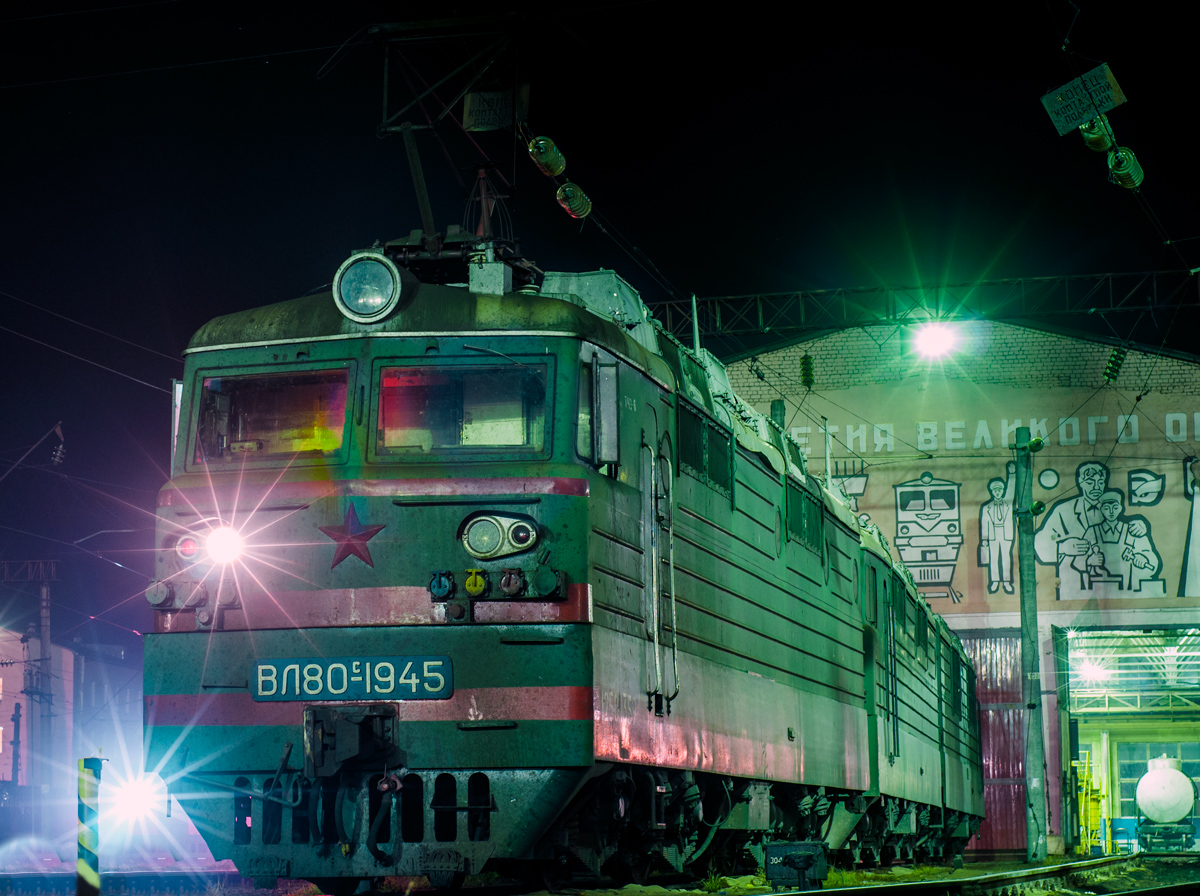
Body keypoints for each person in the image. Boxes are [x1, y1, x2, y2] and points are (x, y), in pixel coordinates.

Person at [1034, 462, 1147, 596]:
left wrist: (1139, 528)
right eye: (1090, 482)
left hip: (1115, 589)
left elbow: (1123, 526)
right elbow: (1040, 542)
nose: (1096, 486)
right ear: (1080, 482)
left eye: (1100, 482)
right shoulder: (1063, 511)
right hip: (1074, 589)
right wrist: (1062, 547)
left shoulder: (1111, 508)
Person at [1083, 490, 1159, 592]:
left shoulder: (1133, 530)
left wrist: (1144, 559)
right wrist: (1089, 561)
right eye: (1106, 508)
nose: (1111, 512)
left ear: (1120, 508)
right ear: (1101, 509)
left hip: (1128, 591)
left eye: (1115, 507)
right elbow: (1075, 561)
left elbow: (1152, 562)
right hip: (1099, 591)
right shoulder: (1092, 532)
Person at [979, 461, 1016, 593]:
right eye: (995, 490)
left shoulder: (1008, 502)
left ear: (1003, 490)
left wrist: (1012, 474)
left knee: (1006, 558)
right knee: (993, 558)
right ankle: (994, 582)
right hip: (993, 534)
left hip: (1006, 533)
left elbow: (1012, 488)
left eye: (1000, 490)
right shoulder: (987, 507)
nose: (998, 492)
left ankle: (1006, 582)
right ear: (992, 492)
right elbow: (984, 523)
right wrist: (984, 539)